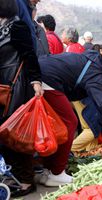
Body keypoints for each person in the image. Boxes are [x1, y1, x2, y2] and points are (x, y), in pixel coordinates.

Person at [37, 52, 102, 186]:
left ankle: (48, 170)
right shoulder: (97, 73)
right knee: (69, 122)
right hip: (48, 79)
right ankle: (57, 173)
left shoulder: (93, 62)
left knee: (56, 125)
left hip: (44, 74)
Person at [0, 0, 43, 197]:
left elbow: (29, 55)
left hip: (15, 88)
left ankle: (26, 180)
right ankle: (13, 174)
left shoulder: (16, 26)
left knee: (15, 135)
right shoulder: (2, 28)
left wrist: (36, 81)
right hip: (3, 88)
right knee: (5, 136)